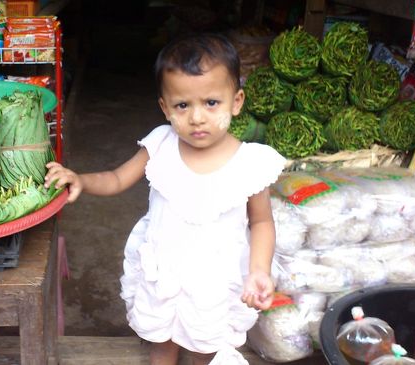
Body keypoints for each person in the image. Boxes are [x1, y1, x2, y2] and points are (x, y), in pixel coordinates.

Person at [44, 33, 286, 365]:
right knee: (161, 344)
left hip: (213, 281)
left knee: (204, 350)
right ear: (165, 108)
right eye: (183, 105)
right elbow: (117, 178)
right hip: (163, 275)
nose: (197, 117)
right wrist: (81, 180)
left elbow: (261, 222)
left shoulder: (250, 164)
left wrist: (259, 269)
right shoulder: (160, 144)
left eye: (211, 102)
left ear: (237, 101)